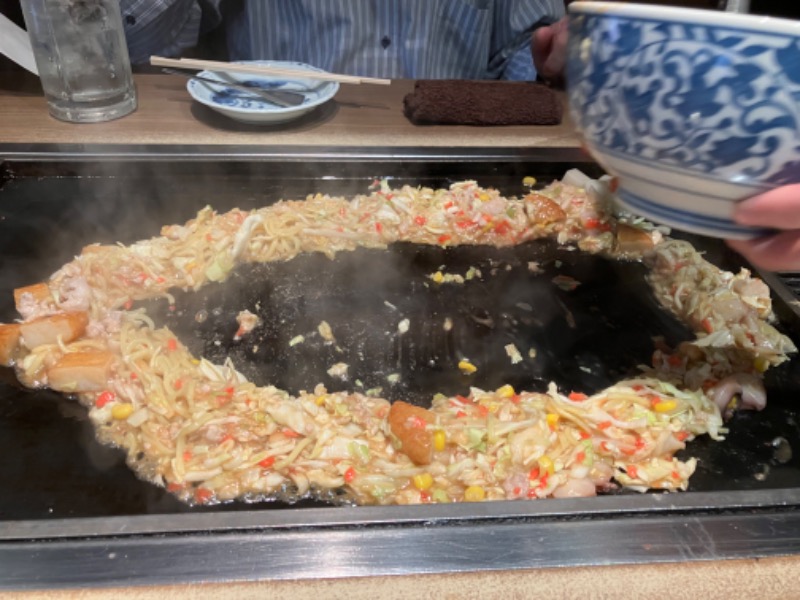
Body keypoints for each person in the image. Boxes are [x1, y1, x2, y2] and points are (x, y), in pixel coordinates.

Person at [121, 0, 567, 80]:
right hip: (273, 158)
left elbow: (523, 49)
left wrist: (551, 61)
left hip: (457, 165)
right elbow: (130, 41)